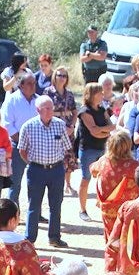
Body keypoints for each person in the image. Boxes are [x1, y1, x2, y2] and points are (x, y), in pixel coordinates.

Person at [19, 95, 71, 248]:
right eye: (46, 108)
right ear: (38, 110)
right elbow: (22, 150)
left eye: (51, 108)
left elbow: (66, 147)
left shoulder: (60, 125)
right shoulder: (28, 126)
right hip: (36, 170)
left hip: (56, 170)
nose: (49, 111)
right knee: (34, 205)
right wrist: (32, 164)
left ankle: (54, 237)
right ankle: (30, 239)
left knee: (56, 205)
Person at [92, 129, 139, 242]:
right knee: (128, 241)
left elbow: (93, 171)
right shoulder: (134, 166)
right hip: (128, 211)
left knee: (111, 240)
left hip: (108, 210)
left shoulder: (103, 162)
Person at [76, 82, 113, 221]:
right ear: (92, 95)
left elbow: (111, 126)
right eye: (99, 93)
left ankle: (103, 206)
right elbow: (93, 131)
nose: (102, 95)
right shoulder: (84, 111)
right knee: (86, 179)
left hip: (102, 147)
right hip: (88, 149)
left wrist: (101, 131)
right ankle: (82, 209)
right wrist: (105, 132)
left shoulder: (102, 109)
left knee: (104, 179)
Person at [3, 72, 41, 203]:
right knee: (15, 183)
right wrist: (23, 143)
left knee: (36, 183)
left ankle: (35, 213)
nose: (33, 86)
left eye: (34, 83)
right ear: (21, 85)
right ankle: (13, 213)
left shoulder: (39, 100)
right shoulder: (12, 101)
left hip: (37, 148)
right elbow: (8, 125)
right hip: (17, 147)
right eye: (29, 83)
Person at [42, 67, 79, 195]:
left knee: (68, 156)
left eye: (64, 75)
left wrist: (73, 126)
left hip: (68, 128)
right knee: (55, 156)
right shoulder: (48, 92)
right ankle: (55, 184)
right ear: (54, 76)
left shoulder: (69, 94)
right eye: (59, 75)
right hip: (53, 127)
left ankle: (68, 185)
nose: (62, 78)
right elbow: (44, 110)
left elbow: (74, 111)